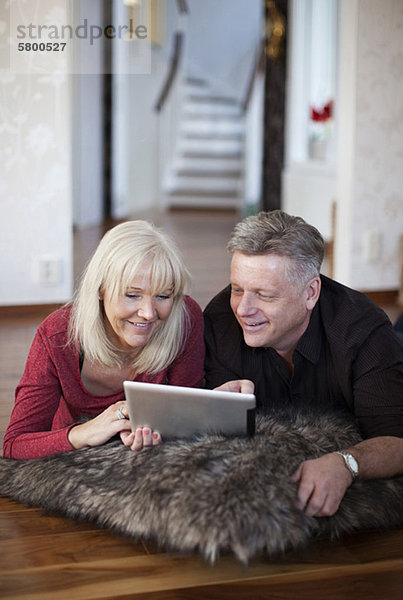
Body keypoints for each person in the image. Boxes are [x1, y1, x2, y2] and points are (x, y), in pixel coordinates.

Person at [204, 210, 403, 518]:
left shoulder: (364, 332)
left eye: (265, 295)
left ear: (310, 293)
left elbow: (396, 441)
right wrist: (215, 404)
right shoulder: (219, 319)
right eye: (237, 288)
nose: (243, 309)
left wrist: (346, 462)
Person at [4, 220, 204, 459]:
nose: (149, 313)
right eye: (132, 295)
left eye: (163, 296)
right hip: (75, 464)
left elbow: (186, 420)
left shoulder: (184, 317)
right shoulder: (57, 335)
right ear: (101, 289)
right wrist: (85, 433)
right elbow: (15, 445)